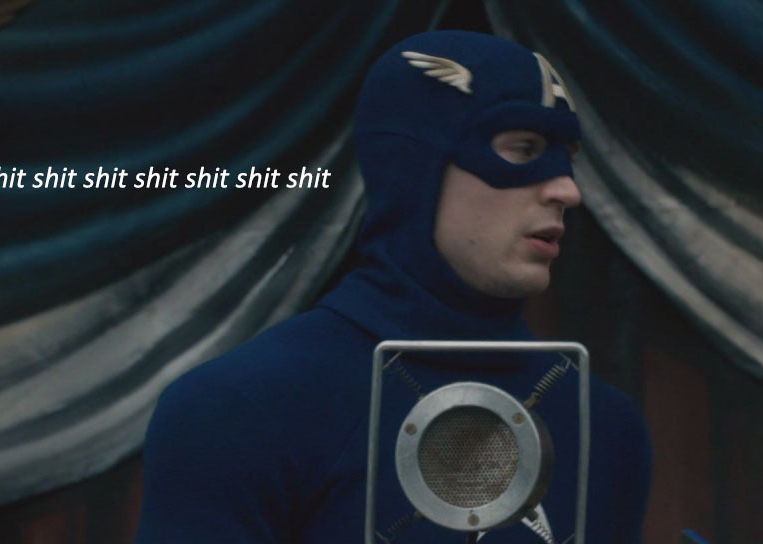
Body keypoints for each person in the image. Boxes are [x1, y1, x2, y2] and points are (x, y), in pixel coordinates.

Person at [135, 30, 652, 543]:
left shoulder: (604, 428)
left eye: (567, 157)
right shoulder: (235, 412)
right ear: (412, 166)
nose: (567, 189)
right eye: (524, 149)